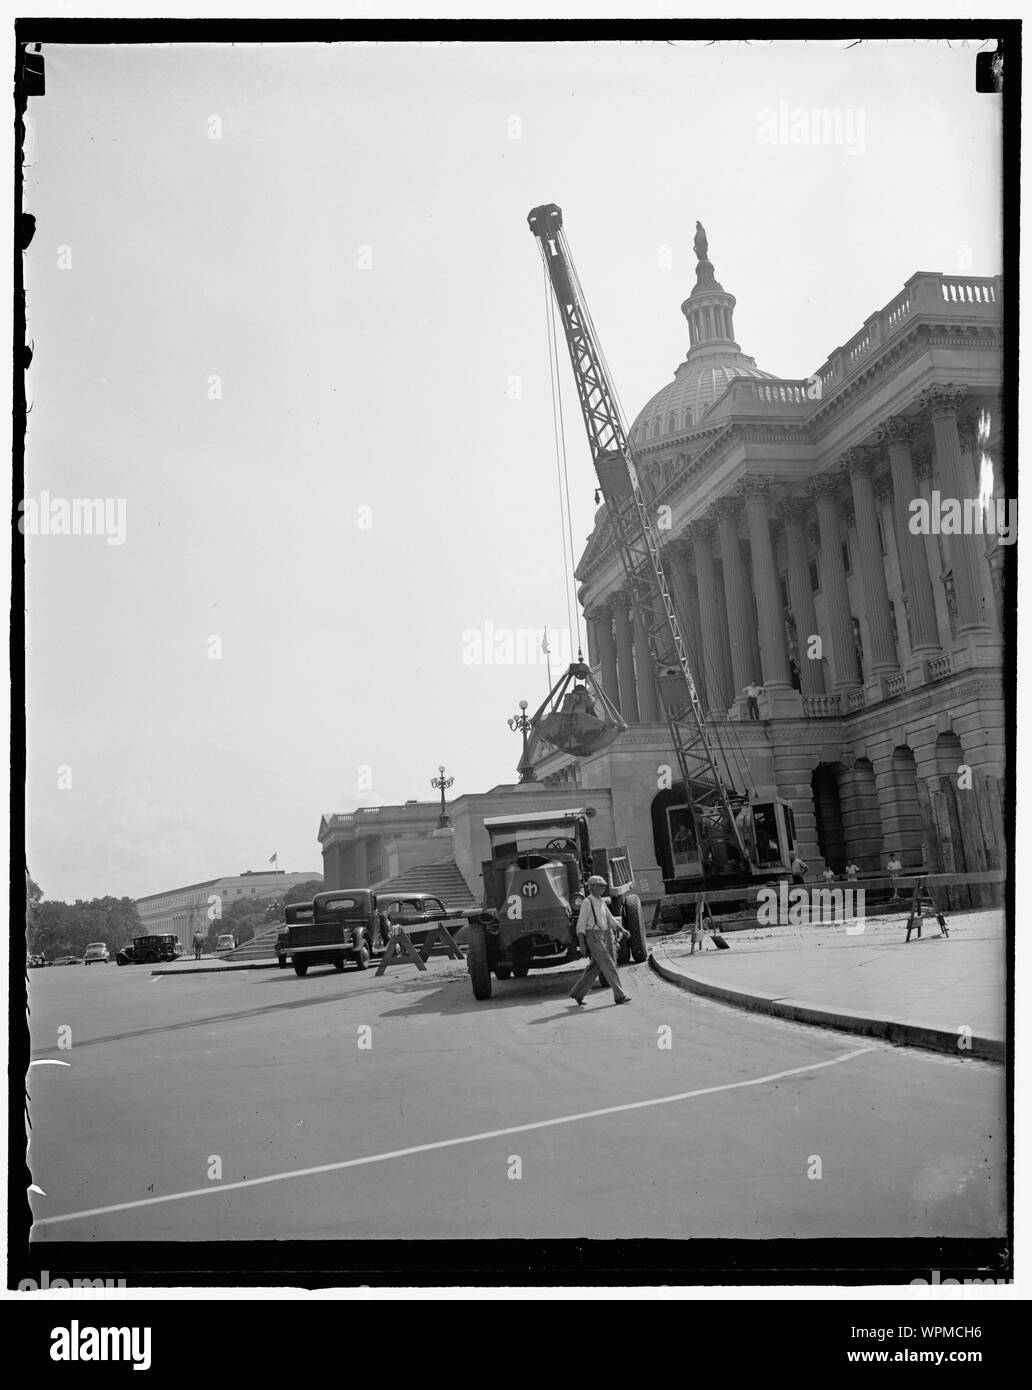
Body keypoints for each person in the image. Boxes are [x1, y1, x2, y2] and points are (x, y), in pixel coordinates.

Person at [568, 876, 631, 1007]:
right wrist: (582, 944)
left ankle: (578, 993)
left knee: (594, 967)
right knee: (609, 964)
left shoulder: (601, 902)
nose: (603, 888)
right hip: (593, 937)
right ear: (593, 887)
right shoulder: (587, 902)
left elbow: (610, 919)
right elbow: (581, 924)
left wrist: (622, 929)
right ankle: (619, 995)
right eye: (600, 885)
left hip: (602, 936)